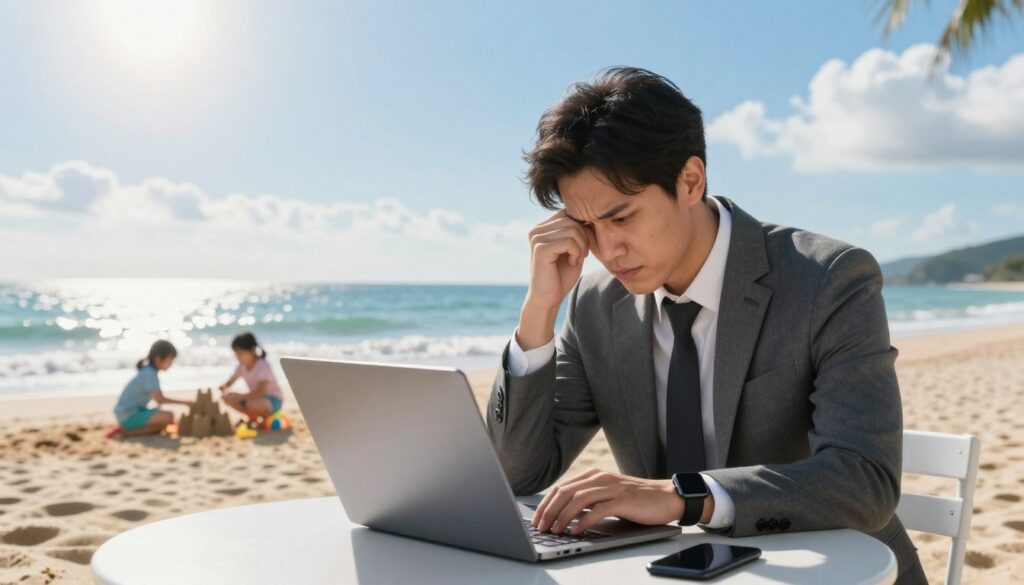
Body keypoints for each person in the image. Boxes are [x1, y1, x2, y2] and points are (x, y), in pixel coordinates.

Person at [484, 67, 927, 584]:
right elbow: (517, 474)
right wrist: (538, 313)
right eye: (587, 227)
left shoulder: (828, 280)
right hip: (682, 574)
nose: (606, 251)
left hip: (833, 573)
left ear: (690, 181)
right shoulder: (593, 303)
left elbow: (865, 481)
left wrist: (679, 496)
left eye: (621, 218)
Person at [109, 340, 193, 438]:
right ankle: (124, 432)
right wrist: (185, 402)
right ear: (158, 359)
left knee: (164, 422)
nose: (171, 364)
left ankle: (127, 430)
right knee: (169, 417)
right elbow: (160, 400)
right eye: (170, 360)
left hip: (131, 412)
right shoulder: (150, 374)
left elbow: (157, 401)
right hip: (127, 415)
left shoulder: (149, 371)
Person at [219, 332, 284, 425]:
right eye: (236, 354)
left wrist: (240, 396)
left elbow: (260, 392)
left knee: (249, 403)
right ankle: (254, 416)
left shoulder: (263, 365)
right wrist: (224, 388)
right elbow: (229, 382)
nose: (237, 357)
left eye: (240, 353)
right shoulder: (241, 366)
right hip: (255, 399)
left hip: (273, 400)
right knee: (227, 398)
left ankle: (266, 417)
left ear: (252, 350)